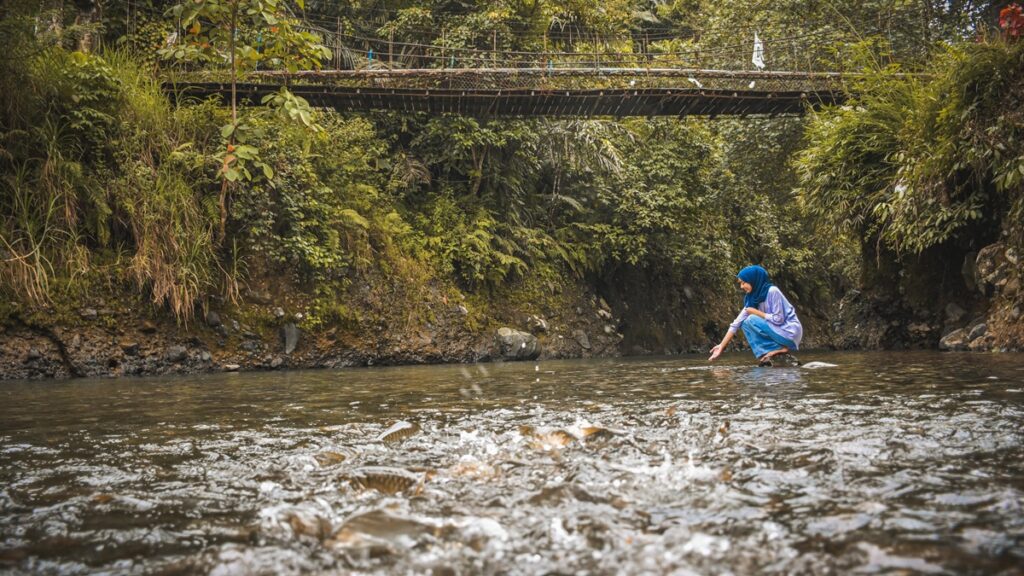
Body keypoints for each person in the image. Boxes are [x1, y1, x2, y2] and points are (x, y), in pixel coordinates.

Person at [708, 265, 803, 366]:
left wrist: (756, 313)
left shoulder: (772, 291)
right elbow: (735, 324)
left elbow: (779, 319)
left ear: (754, 280)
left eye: (744, 283)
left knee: (751, 319)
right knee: (744, 323)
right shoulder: (752, 298)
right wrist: (721, 346)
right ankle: (766, 352)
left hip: (790, 331)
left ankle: (779, 349)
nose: (741, 286)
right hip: (777, 331)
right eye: (740, 283)